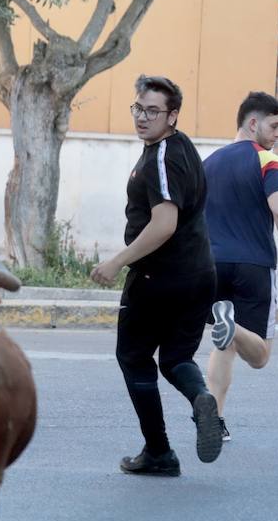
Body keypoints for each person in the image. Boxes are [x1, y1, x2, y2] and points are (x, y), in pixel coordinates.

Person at [90, 75, 224, 476]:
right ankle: (202, 397)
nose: (143, 117)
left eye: (153, 111)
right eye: (139, 108)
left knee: (132, 357)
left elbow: (164, 223)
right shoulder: (182, 148)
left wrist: (118, 261)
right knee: (177, 358)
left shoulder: (163, 156)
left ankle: (159, 451)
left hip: (159, 278)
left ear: (173, 116)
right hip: (200, 274)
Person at [203, 91, 278, 442]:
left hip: (212, 264)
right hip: (254, 266)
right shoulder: (269, 161)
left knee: (224, 344)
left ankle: (214, 420)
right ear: (252, 123)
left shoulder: (209, 163)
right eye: (274, 125)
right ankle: (230, 327)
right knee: (259, 355)